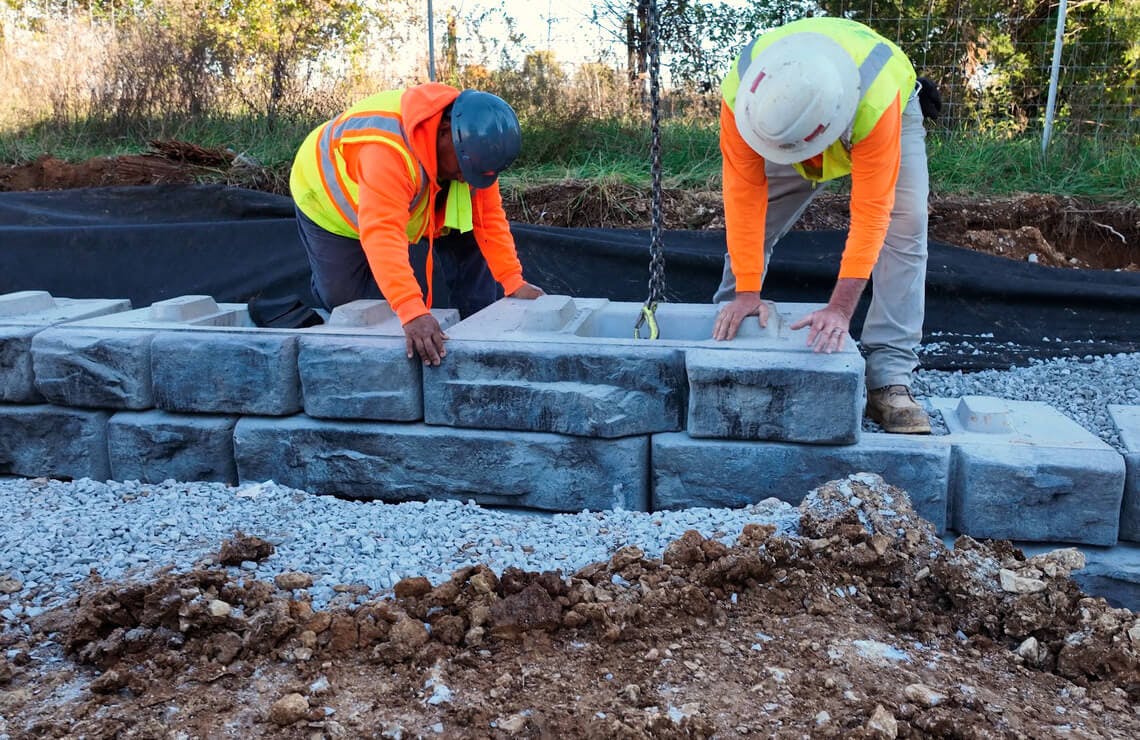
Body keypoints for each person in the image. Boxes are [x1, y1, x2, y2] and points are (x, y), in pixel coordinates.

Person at [711, 17, 933, 434]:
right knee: (758, 224)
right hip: (781, 124)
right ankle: (726, 333)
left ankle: (889, 377)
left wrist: (839, 309)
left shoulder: (875, 99)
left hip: (884, 112)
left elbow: (872, 212)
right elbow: (743, 198)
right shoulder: (745, 96)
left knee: (906, 224)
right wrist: (747, 291)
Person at [289, 83, 544, 366]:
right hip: (331, 204)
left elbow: (490, 218)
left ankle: (477, 342)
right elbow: (383, 232)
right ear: (446, 132)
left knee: (472, 253)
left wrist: (513, 282)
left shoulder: (474, 149)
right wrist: (412, 311)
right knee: (342, 299)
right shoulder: (387, 150)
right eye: (462, 168)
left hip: (416, 194)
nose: (465, 178)